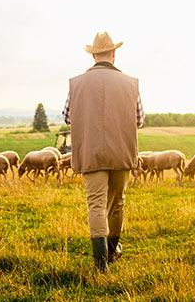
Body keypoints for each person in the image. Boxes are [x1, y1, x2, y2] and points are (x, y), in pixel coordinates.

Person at [62, 32, 144, 273]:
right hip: (121, 152)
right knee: (117, 202)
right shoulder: (131, 83)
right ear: (114, 54)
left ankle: (101, 264)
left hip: (91, 154)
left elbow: (68, 117)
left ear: (94, 55)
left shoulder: (76, 83)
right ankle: (112, 249)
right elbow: (139, 120)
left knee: (96, 204)